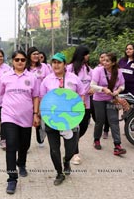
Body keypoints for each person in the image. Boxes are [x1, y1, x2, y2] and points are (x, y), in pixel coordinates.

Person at [0, 50, 39, 194]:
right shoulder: (6, 77)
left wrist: (35, 114)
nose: (20, 62)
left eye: (22, 60)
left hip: (26, 117)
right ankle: (12, 178)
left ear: (25, 61)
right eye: (17, 60)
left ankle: (21, 163)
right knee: (11, 144)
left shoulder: (32, 77)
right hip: (9, 116)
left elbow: (36, 97)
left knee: (24, 144)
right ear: (13, 61)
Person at [40, 52, 85, 185]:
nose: (56, 65)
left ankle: (66, 161)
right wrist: (39, 114)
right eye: (54, 62)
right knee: (54, 149)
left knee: (71, 149)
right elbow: (43, 98)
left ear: (65, 64)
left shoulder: (74, 79)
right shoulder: (47, 80)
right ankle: (59, 173)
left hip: (70, 119)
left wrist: (79, 108)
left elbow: (81, 94)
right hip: (52, 119)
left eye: (59, 62)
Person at [90, 52, 127, 155]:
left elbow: (122, 85)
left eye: (107, 61)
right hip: (99, 100)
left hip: (111, 99)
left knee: (114, 120)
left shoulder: (118, 72)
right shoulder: (98, 70)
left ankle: (117, 145)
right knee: (100, 121)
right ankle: (96, 140)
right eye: (104, 60)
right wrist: (103, 89)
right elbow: (92, 85)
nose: (104, 62)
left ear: (113, 63)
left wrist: (118, 91)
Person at [66, 45, 93, 165]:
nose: (88, 56)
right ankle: (74, 153)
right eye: (87, 54)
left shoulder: (89, 69)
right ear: (82, 55)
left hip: (86, 103)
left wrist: (93, 88)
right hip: (72, 105)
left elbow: (94, 82)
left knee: (83, 127)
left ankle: (72, 142)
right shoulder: (69, 68)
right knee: (75, 128)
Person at [26, 47, 50, 147]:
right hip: (27, 98)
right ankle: (25, 143)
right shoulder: (25, 68)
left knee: (39, 118)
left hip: (41, 98)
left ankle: (40, 138)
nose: (36, 56)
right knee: (27, 121)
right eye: (34, 54)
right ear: (29, 56)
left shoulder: (44, 67)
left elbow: (49, 80)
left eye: (37, 54)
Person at [96, 52, 110, 139]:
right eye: (101, 57)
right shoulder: (96, 69)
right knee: (100, 117)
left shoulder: (112, 70)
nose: (103, 60)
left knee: (108, 115)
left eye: (105, 58)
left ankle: (106, 130)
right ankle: (97, 137)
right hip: (98, 96)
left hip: (109, 96)